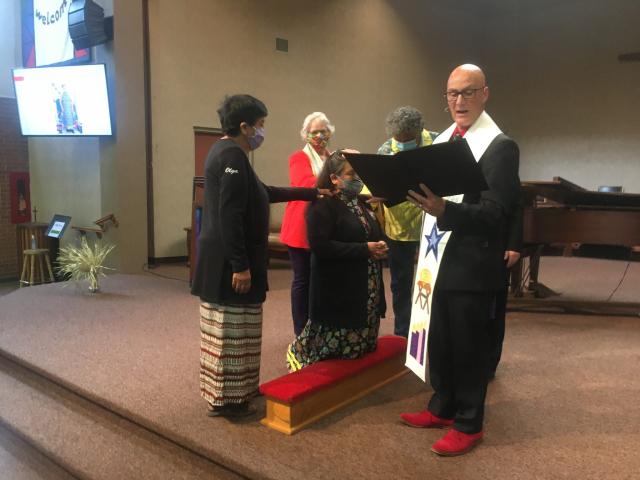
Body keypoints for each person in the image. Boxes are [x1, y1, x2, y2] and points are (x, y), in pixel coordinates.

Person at [401, 64, 521, 456]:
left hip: (472, 265)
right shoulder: (444, 139)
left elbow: (496, 213)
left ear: (485, 94)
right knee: (442, 342)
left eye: (468, 92)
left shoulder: (500, 147)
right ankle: (443, 406)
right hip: (437, 262)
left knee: (469, 349)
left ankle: (469, 424)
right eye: (452, 94)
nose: (459, 101)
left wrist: (443, 212)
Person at [191, 94, 329, 418]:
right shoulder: (233, 157)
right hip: (229, 263)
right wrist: (240, 267)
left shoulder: (225, 151)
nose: (262, 132)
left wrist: (313, 192)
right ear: (244, 126)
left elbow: (263, 192)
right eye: (261, 125)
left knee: (232, 331)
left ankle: (231, 394)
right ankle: (229, 400)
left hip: (221, 259)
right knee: (232, 334)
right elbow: (230, 216)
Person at [286, 151, 388, 371]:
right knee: (336, 361)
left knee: (362, 352)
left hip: (364, 284)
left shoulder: (361, 203)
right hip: (338, 287)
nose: (357, 179)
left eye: (359, 174)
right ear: (334, 178)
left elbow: (370, 233)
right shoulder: (322, 205)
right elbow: (320, 246)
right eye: (351, 174)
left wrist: (380, 244)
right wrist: (364, 249)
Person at [377, 106, 438, 337]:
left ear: (419, 132)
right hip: (398, 225)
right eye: (397, 139)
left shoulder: (437, 141)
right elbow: (375, 182)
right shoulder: (385, 149)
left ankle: (429, 330)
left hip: (430, 222)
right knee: (401, 283)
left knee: (431, 279)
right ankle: (403, 332)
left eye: (407, 139)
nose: (401, 142)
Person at [280, 112, 335, 336]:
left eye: (324, 131)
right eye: (315, 132)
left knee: (321, 280)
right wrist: (335, 178)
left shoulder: (331, 157)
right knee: (303, 281)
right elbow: (305, 185)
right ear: (306, 135)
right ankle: (300, 332)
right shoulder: (298, 158)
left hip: (325, 227)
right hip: (300, 228)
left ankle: (319, 327)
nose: (320, 136)